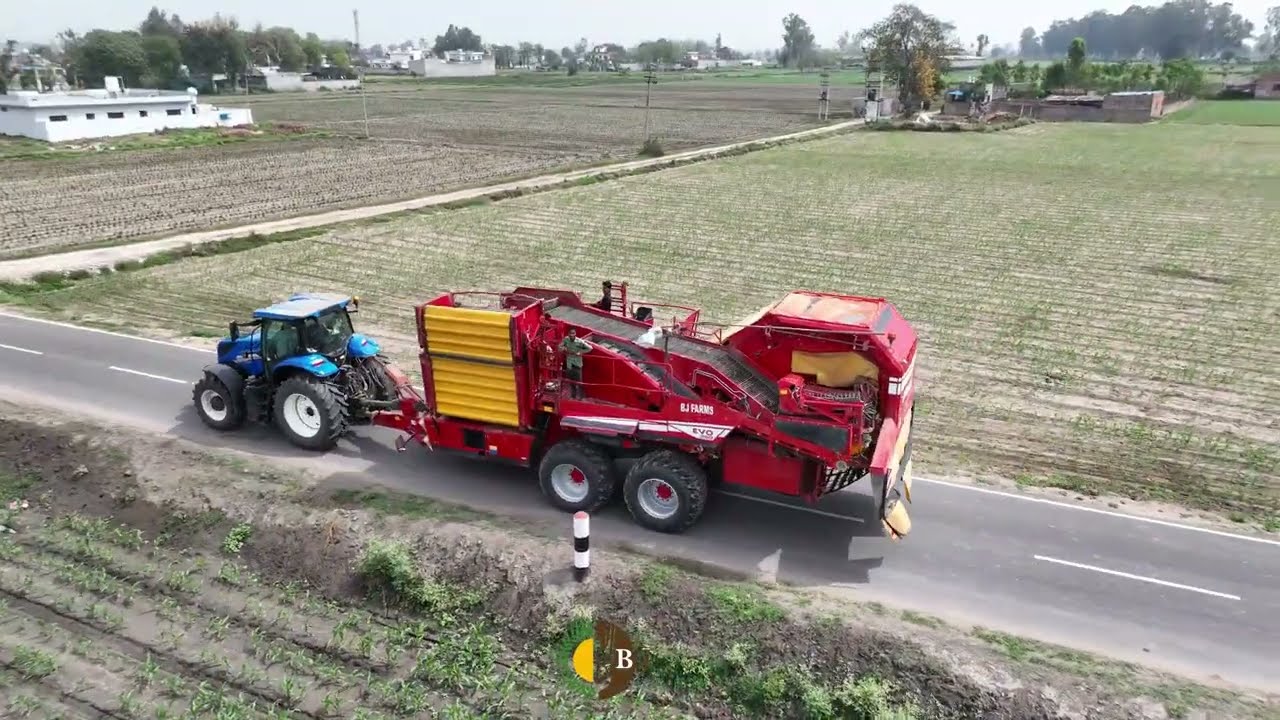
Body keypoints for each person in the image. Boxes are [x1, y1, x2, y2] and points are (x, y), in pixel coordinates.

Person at [559, 329, 592, 398]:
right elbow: (559, 347)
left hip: (577, 364)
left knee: (579, 382)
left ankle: (581, 397)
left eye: (572, 336)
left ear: (575, 335)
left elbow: (590, 348)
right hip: (569, 364)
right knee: (571, 382)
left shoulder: (580, 341)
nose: (571, 337)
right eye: (570, 336)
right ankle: (573, 396)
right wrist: (563, 348)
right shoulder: (566, 340)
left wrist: (580, 352)